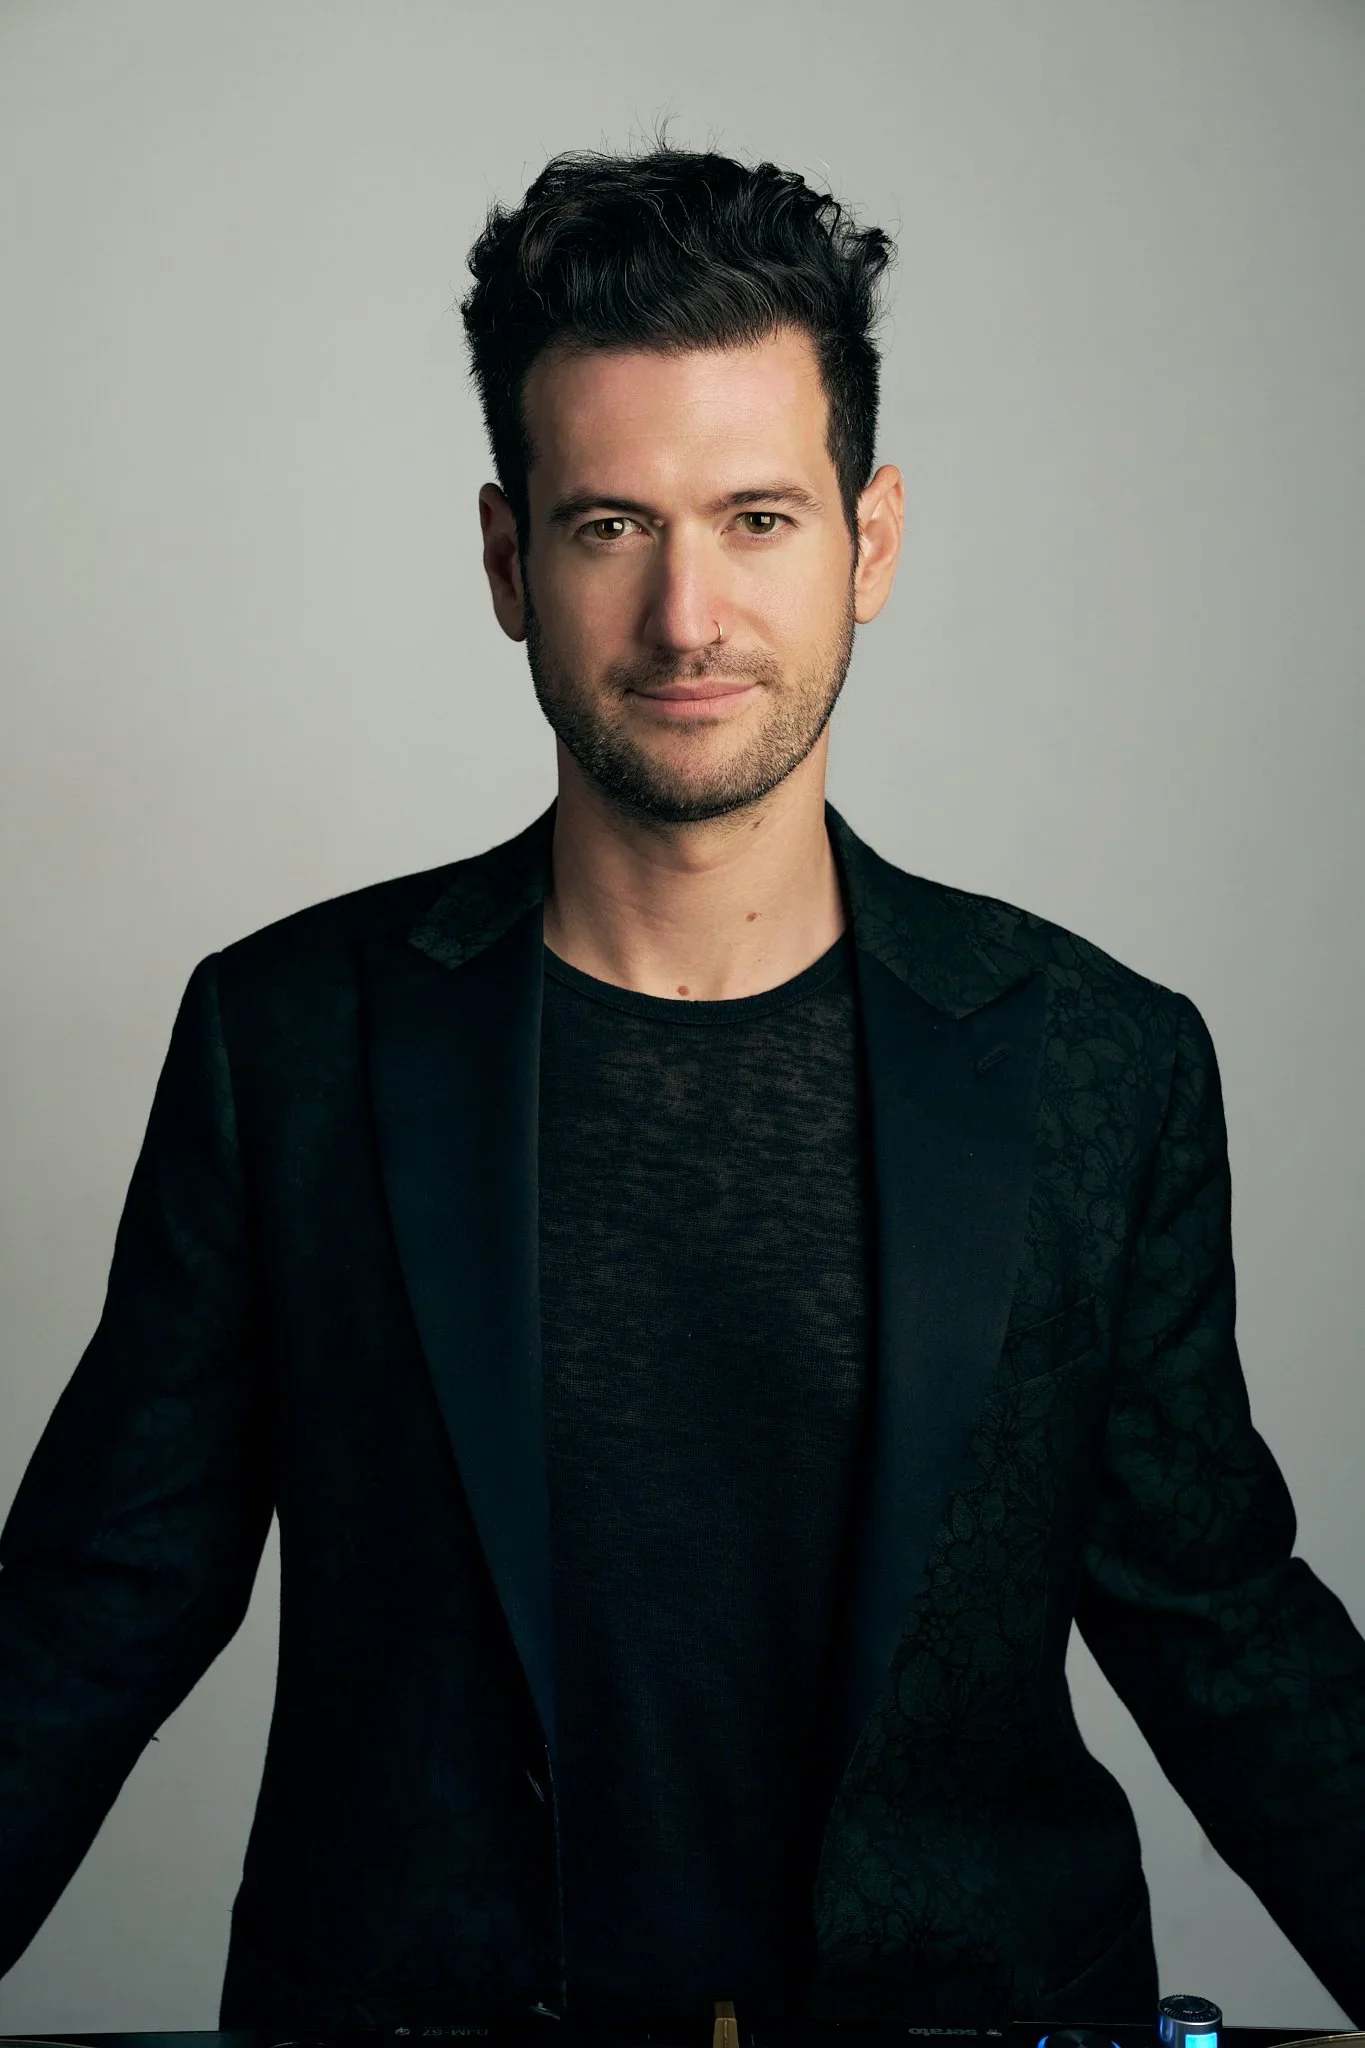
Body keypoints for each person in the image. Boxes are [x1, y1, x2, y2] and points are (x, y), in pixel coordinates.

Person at [1, 144, 1362, 2037]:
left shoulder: (1099, 1065)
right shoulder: (289, 1041)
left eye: (758, 518)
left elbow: (1223, 1632)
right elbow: (84, 1614)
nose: (687, 620)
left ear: (871, 540)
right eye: (611, 528)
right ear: (509, 559)